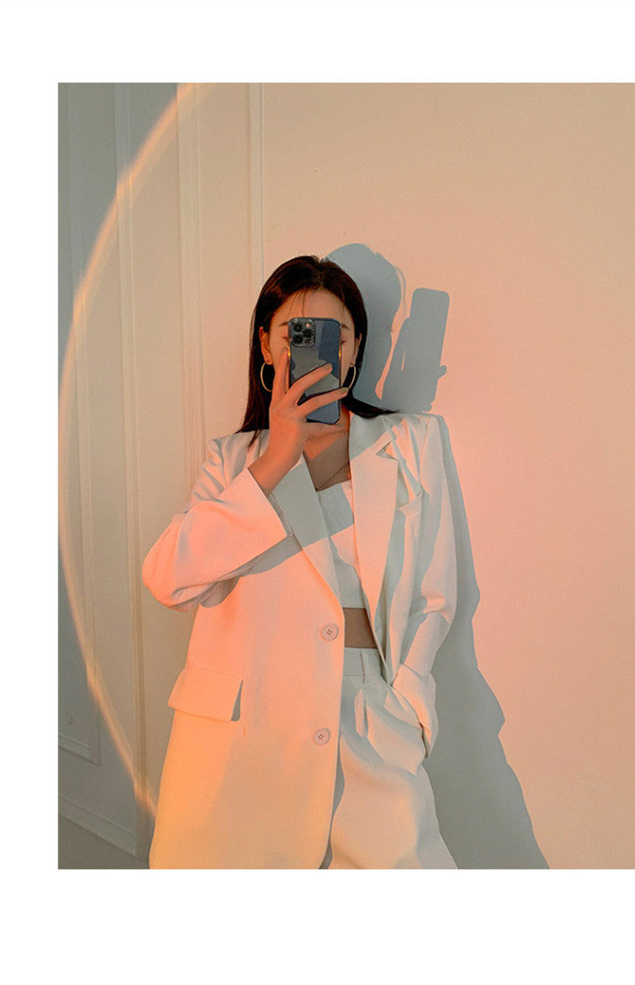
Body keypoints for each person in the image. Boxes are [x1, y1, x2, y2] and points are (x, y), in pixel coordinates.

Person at [143, 255, 458, 868]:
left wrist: (409, 710)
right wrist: (275, 458)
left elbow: (433, 595)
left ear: (354, 347)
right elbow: (168, 581)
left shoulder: (409, 442)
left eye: (334, 333)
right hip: (239, 735)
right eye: (295, 332)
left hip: (367, 722)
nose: (314, 348)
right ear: (266, 344)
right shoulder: (234, 460)